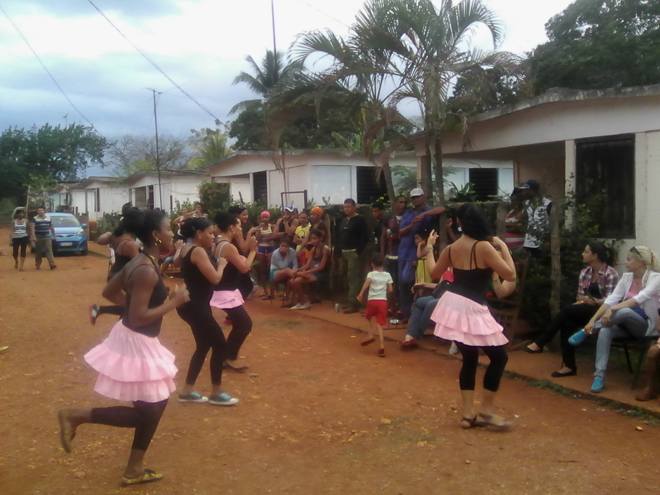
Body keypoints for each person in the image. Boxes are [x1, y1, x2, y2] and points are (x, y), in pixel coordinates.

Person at [57, 209, 190, 486]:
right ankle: (77, 416)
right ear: (155, 234)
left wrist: (132, 306)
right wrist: (173, 303)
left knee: (153, 406)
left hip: (135, 337)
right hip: (137, 340)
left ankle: (134, 467)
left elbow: (108, 292)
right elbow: (140, 316)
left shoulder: (142, 261)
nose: (172, 234)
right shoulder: (144, 269)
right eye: (168, 229)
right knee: (150, 409)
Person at [430, 204, 516, 430]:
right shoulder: (484, 247)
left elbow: (433, 273)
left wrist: (429, 249)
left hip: (453, 304)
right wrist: (504, 248)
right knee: (499, 357)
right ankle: (486, 410)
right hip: (473, 306)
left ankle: (468, 414)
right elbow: (510, 274)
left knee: (469, 357)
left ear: (459, 223)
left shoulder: (451, 248)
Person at [569, 246, 660, 393]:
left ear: (641, 262)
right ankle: (599, 376)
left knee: (624, 310)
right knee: (606, 331)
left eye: (629, 259)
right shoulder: (626, 277)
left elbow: (637, 300)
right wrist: (592, 320)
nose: (625, 262)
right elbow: (611, 299)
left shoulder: (655, 278)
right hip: (623, 325)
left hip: (645, 327)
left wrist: (612, 310)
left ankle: (588, 332)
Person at [524, 242, 619, 378]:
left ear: (595, 255)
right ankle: (569, 366)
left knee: (567, 312)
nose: (582, 254)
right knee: (567, 321)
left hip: (603, 312)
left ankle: (542, 341)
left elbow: (612, 299)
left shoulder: (611, 273)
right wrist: (586, 300)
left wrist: (595, 301)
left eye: (586, 252)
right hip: (586, 308)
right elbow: (579, 295)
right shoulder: (585, 272)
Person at [176, 217, 238, 406]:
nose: (213, 236)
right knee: (219, 344)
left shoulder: (186, 248)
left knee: (203, 345)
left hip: (190, 305)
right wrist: (221, 265)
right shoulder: (198, 251)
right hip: (196, 306)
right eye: (209, 233)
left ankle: (187, 390)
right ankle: (216, 392)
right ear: (198, 233)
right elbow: (215, 279)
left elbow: (179, 261)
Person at [210, 212, 257, 372]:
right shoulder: (228, 246)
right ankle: (227, 357)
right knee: (244, 324)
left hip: (224, 290)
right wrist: (253, 251)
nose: (240, 228)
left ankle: (227, 356)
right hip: (225, 292)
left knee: (240, 324)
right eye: (238, 225)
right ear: (231, 227)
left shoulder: (219, 242)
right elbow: (244, 268)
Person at [397, 188, 446, 322]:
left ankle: (417, 315)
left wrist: (424, 215)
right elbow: (400, 232)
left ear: (423, 197)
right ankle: (406, 313)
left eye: (418, 197)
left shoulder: (429, 211)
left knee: (414, 283)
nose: (415, 200)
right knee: (403, 283)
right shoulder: (408, 213)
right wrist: (412, 224)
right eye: (413, 198)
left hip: (418, 253)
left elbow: (442, 209)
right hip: (404, 252)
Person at [90, 207, 143, 324]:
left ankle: (100, 310)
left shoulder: (115, 235)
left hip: (115, 275)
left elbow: (99, 240)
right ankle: (101, 311)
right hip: (124, 278)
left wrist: (110, 235)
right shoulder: (130, 242)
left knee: (129, 308)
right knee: (133, 308)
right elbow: (140, 264)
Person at [357, 254, 394, 357]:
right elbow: (390, 290)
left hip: (372, 300)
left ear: (372, 264)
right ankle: (381, 346)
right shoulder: (387, 275)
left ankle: (370, 334)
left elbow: (366, 284)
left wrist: (360, 294)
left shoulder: (371, 274)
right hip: (382, 301)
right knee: (380, 324)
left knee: (368, 317)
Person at [338, 199, 369, 313]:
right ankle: (349, 301)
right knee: (345, 277)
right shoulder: (343, 220)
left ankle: (354, 304)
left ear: (354, 207)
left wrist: (358, 251)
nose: (347, 209)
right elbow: (339, 237)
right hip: (343, 252)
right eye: (345, 207)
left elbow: (365, 238)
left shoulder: (360, 220)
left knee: (353, 278)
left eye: (349, 207)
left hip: (353, 252)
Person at [288, 229, 331, 310]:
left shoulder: (325, 249)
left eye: (315, 238)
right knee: (292, 281)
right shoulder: (313, 249)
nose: (313, 241)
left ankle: (305, 302)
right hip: (313, 272)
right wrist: (299, 269)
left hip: (321, 273)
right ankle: (301, 301)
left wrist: (306, 272)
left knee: (296, 280)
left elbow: (321, 267)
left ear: (320, 238)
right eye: (311, 239)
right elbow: (307, 264)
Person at [385, 196, 407, 319]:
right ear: (395, 204)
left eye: (404, 202)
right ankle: (391, 307)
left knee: (401, 283)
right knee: (390, 283)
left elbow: (398, 235)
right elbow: (385, 236)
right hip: (390, 255)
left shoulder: (408, 218)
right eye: (400, 202)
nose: (402, 205)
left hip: (402, 255)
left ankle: (400, 308)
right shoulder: (389, 219)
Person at [518, 179, 552, 256]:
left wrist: (548, 240)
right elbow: (521, 219)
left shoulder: (547, 204)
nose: (523, 192)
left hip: (541, 242)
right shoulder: (526, 204)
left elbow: (552, 224)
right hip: (528, 242)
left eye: (526, 190)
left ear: (532, 191)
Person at [269, 240, 298, 305]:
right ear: (279, 246)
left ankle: (288, 299)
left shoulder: (292, 252)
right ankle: (300, 275)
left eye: (285, 246)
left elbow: (295, 265)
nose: (283, 247)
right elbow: (281, 266)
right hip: (275, 272)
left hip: (289, 272)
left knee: (291, 278)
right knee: (287, 271)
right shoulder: (275, 253)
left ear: (288, 247)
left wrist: (293, 271)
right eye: (282, 245)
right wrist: (291, 271)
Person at [255, 211, 276, 299]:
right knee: (262, 270)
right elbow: (258, 238)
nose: (265, 219)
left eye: (266, 217)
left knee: (270, 269)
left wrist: (266, 238)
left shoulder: (272, 226)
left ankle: (272, 292)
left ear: (269, 218)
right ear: (261, 218)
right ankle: (265, 291)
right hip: (261, 248)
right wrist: (261, 232)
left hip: (270, 248)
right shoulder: (259, 227)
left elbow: (273, 237)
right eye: (263, 217)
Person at [30, 206, 56, 270]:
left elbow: (51, 227)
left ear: (44, 211)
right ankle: (38, 264)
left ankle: (52, 264)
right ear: (37, 212)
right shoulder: (34, 218)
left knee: (49, 250)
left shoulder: (48, 218)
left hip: (47, 236)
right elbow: (32, 228)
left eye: (42, 210)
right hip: (38, 237)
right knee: (38, 252)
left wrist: (53, 235)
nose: (41, 211)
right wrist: (33, 237)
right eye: (39, 210)